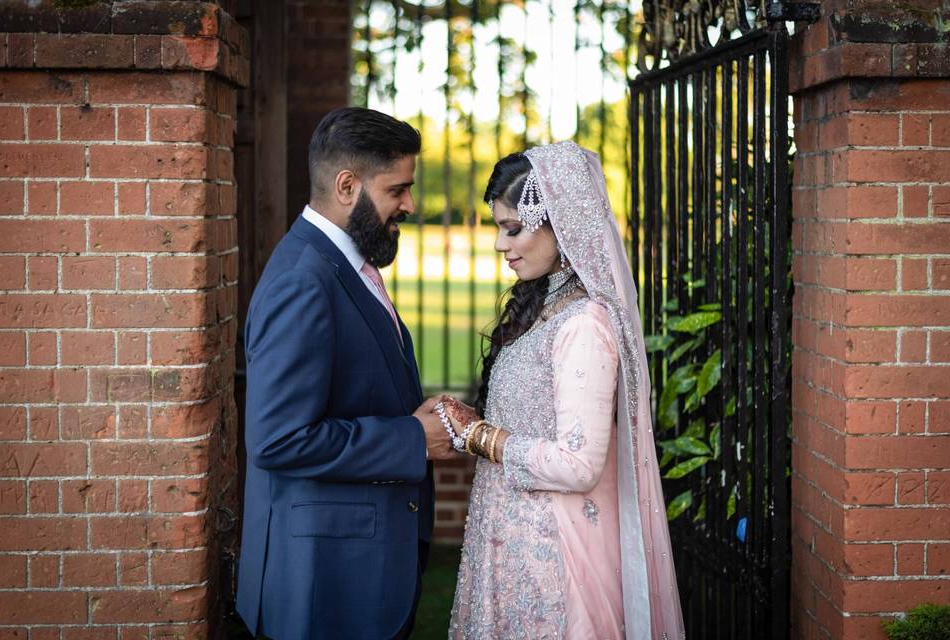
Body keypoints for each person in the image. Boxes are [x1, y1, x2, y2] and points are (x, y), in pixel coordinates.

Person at [440, 141, 686, 639]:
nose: (500, 245)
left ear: (561, 224)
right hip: (509, 532)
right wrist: (474, 421)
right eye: (498, 229)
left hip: (555, 550)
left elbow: (579, 464)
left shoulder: (585, 324)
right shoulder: (541, 309)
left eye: (513, 229)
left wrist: (481, 436)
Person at [235, 107, 454, 640]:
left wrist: (414, 414)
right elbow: (278, 439)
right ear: (347, 185)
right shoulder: (303, 281)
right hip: (322, 584)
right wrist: (412, 438)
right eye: (397, 189)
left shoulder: (347, 262)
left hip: (356, 565)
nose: (410, 204)